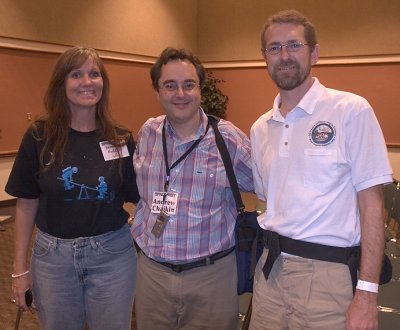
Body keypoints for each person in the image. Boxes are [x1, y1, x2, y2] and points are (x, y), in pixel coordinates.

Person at [250, 9, 393, 330]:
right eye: (274, 48)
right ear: (264, 57)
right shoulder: (260, 128)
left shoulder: (350, 110)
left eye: (294, 45)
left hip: (328, 278)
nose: (283, 56)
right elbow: (264, 203)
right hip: (270, 273)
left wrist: (367, 294)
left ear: (314, 52)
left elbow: (373, 207)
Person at [6, 46, 139, 330]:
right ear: (61, 83)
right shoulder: (39, 136)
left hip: (112, 257)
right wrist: (20, 270)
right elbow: (26, 203)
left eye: (94, 74)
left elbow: (140, 197)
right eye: (76, 74)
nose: (87, 81)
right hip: (53, 259)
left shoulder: (120, 139)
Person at [131, 47, 254, 329]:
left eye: (189, 85)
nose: (180, 94)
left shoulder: (228, 139)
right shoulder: (148, 133)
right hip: (153, 274)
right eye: (170, 86)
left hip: (211, 277)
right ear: (157, 91)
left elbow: (270, 186)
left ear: (200, 88)